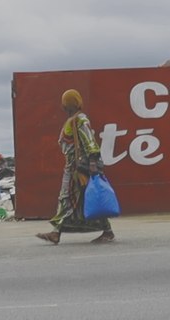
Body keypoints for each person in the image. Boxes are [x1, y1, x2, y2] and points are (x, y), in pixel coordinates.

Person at [36, 89, 115, 244]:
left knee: (68, 197)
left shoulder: (80, 120)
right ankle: (107, 231)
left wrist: (92, 162)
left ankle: (56, 232)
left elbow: (89, 140)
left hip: (78, 168)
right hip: (72, 166)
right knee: (86, 198)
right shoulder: (73, 120)